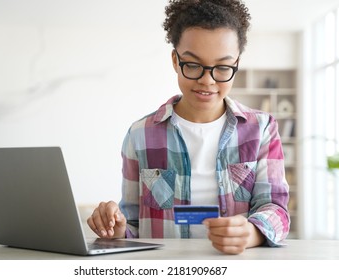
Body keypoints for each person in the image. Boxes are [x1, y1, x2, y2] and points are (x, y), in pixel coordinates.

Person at [87, 0, 290, 255]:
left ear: (236, 64)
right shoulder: (140, 135)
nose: (207, 80)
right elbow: (133, 225)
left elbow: (277, 211)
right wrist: (116, 230)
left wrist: (251, 233)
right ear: (175, 60)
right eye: (193, 65)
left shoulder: (261, 129)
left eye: (223, 67)